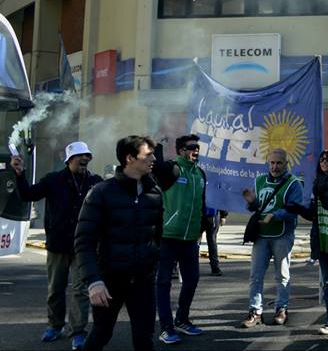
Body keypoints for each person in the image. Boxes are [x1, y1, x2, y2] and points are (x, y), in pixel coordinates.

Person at [74, 136, 163, 351]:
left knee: (144, 339)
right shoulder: (101, 192)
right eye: (147, 154)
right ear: (130, 158)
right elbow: (84, 241)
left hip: (143, 281)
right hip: (109, 281)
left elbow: (157, 236)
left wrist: (153, 262)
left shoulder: (155, 193)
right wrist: (94, 281)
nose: (153, 158)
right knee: (101, 334)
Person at [11, 141, 102, 350]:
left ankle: (78, 331)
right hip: (57, 244)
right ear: (69, 159)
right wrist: (19, 174)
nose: (85, 160)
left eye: (88, 156)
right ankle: (55, 325)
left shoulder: (95, 182)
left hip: (84, 245)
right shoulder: (53, 180)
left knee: (80, 290)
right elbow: (28, 194)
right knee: (55, 289)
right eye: (81, 156)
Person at [288, 150, 328, 337]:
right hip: (321, 239)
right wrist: (298, 208)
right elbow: (313, 215)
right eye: (322, 159)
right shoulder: (318, 183)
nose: (324, 161)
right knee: (327, 283)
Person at [152, 135, 208, 345]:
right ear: (180, 151)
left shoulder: (199, 174)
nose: (195, 150)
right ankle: (166, 328)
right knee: (164, 282)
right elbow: (156, 166)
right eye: (190, 147)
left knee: (192, 280)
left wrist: (203, 226)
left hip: (190, 238)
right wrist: (157, 144)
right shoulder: (173, 169)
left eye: (197, 147)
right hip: (168, 236)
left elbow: (201, 203)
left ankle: (182, 319)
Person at [240, 148, 303, 328]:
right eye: (272, 163)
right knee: (255, 275)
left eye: (279, 163)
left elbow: (294, 209)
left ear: (286, 164)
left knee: (282, 276)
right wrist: (252, 202)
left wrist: (275, 215)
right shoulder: (259, 180)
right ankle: (255, 311)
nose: (275, 167)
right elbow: (256, 208)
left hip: (282, 235)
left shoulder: (293, 183)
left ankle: (281, 309)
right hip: (261, 236)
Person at [201, 208, 227, 276]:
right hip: (212, 214)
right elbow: (220, 198)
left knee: (196, 241)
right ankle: (215, 267)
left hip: (200, 213)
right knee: (212, 241)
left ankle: (192, 267)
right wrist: (223, 215)